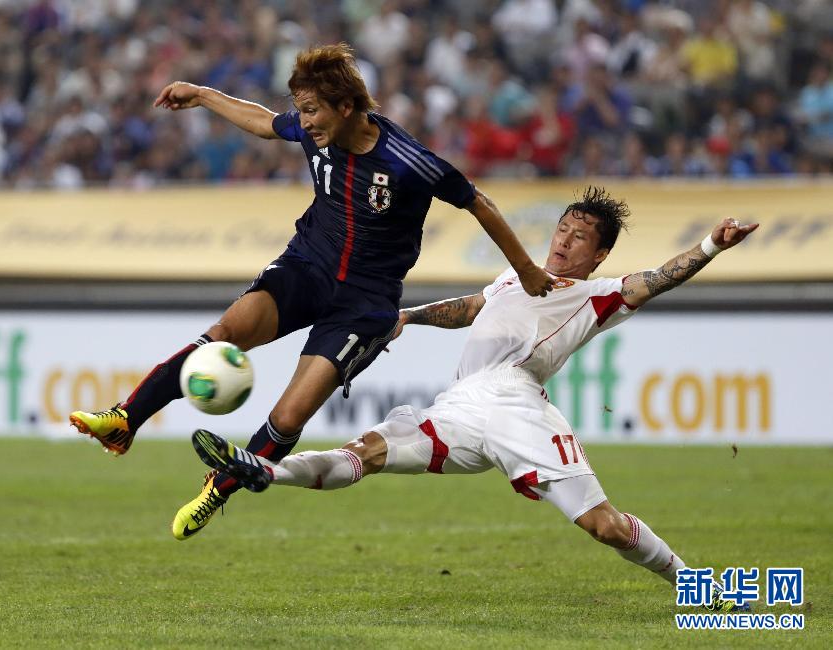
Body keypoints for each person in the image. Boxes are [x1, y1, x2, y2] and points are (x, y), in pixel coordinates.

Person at [183, 186, 758, 612]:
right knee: (369, 451)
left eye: (580, 236)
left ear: (599, 255)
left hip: (516, 405)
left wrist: (712, 244)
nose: (564, 240)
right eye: (563, 228)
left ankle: (700, 590)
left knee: (603, 527)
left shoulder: (596, 295)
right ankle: (261, 470)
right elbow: (472, 309)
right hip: (458, 407)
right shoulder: (518, 278)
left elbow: (658, 277)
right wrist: (409, 316)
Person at [68, 44, 554, 505]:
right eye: (300, 110)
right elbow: (263, 122)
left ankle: (218, 490)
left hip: (364, 302)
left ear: (345, 106)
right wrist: (203, 95)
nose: (303, 122)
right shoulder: (312, 130)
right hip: (307, 266)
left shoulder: (408, 162)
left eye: (312, 110)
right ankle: (125, 419)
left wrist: (528, 271)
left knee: (290, 414)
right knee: (222, 335)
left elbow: (479, 203)